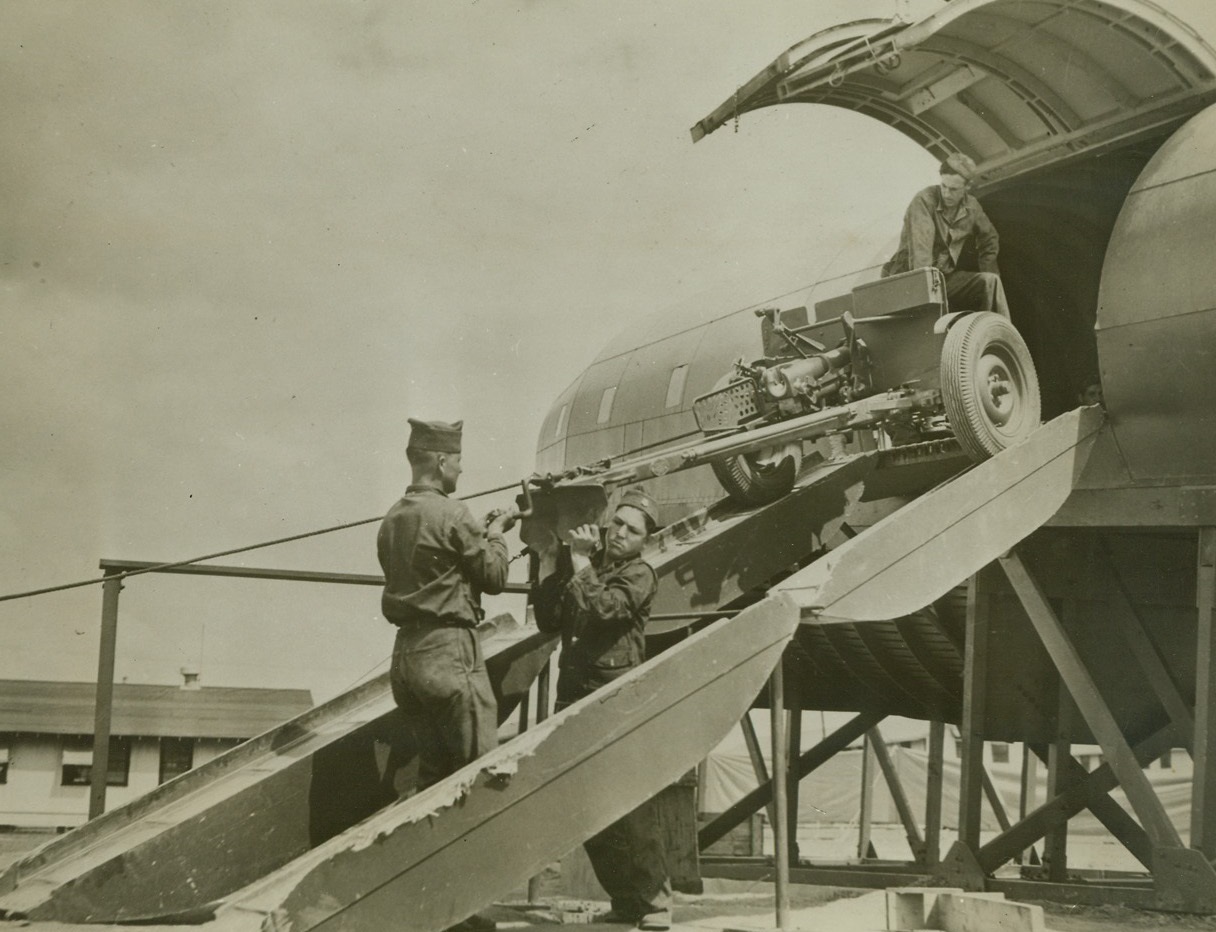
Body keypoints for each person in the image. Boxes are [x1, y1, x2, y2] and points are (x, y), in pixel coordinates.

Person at [533, 488, 672, 931]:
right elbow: (548, 619)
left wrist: (579, 563)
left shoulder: (640, 575)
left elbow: (605, 609)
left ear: (644, 540)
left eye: (632, 530)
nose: (620, 534)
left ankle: (655, 903)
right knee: (587, 807)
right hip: (575, 695)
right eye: (618, 524)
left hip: (613, 700)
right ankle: (627, 900)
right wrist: (550, 557)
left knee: (630, 807)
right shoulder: (591, 567)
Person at [377, 418, 518, 793]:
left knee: (434, 775)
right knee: (482, 772)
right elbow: (494, 578)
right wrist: (497, 535)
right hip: (449, 652)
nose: (461, 467)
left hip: (406, 659)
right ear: (441, 462)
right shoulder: (454, 513)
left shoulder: (393, 517)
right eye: (457, 459)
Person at [883, 153, 1010, 318]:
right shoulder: (923, 201)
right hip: (910, 281)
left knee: (990, 282)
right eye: (944, 186)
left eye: (954, 189)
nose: (947, 194)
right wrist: (929, 298)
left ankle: (1000, 333)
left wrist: (988, 269)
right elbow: (922, 254)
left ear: (967, 187)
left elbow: (990, 239)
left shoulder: (972, 207)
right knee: (932, 310)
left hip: (943, 279)